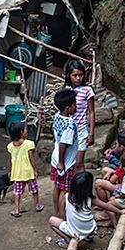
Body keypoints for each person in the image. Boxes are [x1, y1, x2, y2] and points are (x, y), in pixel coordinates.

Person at [49, 171, 125, 249]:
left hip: (74, 232)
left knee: (52, 221)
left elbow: (62, 216)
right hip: (90, 229)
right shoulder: (91, 199)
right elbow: (108, 206)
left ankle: (67, 241)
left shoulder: (66, 197)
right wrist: (121, 211)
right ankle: (86, 237)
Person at [51, 88, 78, 219]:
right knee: (65, 191)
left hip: (55, 159)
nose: (76, 107)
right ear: (68, 108)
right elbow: (63, 145)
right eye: (74, 105)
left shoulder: (57, 116)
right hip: (65, 163)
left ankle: (57, 212)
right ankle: (62, 217)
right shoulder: (70, 124)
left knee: (56, 186)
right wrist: (62, 163)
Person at [64, 60, 95, 173]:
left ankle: (81, 186)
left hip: (81, 129)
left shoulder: (87, 90)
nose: (78, 78)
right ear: (69, 76)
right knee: (69, 161)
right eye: (75, 75)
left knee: (79, 162)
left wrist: (91, 133)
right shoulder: (66, 90)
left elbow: (91, 112)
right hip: (69, 130)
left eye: (80, 75)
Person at [7, 121, 42, 217]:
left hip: (17, 173)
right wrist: (35, 170)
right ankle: (37, 206)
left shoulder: (10, 146)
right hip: (28, 172)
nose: (26, 131)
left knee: (17, 192)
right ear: (21, 132)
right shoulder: (28, 144)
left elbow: (9, 160)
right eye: (25, 129)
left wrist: (9, 171)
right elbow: (31, 159)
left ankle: (17, 210)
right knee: (34, 189)